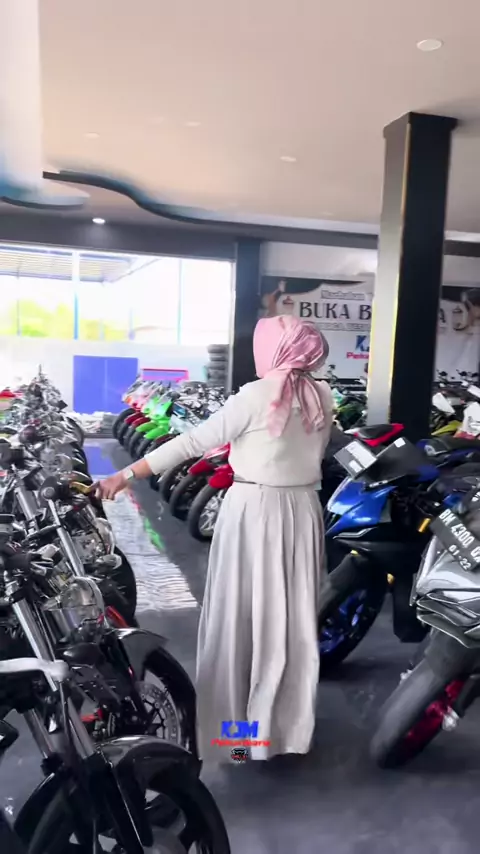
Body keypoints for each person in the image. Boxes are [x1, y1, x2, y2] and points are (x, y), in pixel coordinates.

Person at [97, 315, 333, 761]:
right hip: (302, 512)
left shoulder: (257, 395)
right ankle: (281, 734)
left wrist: (124, 475)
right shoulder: (322, 395)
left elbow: (190, 443)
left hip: (255, 512)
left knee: (240, 624)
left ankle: (237, 741)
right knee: (288, 627)